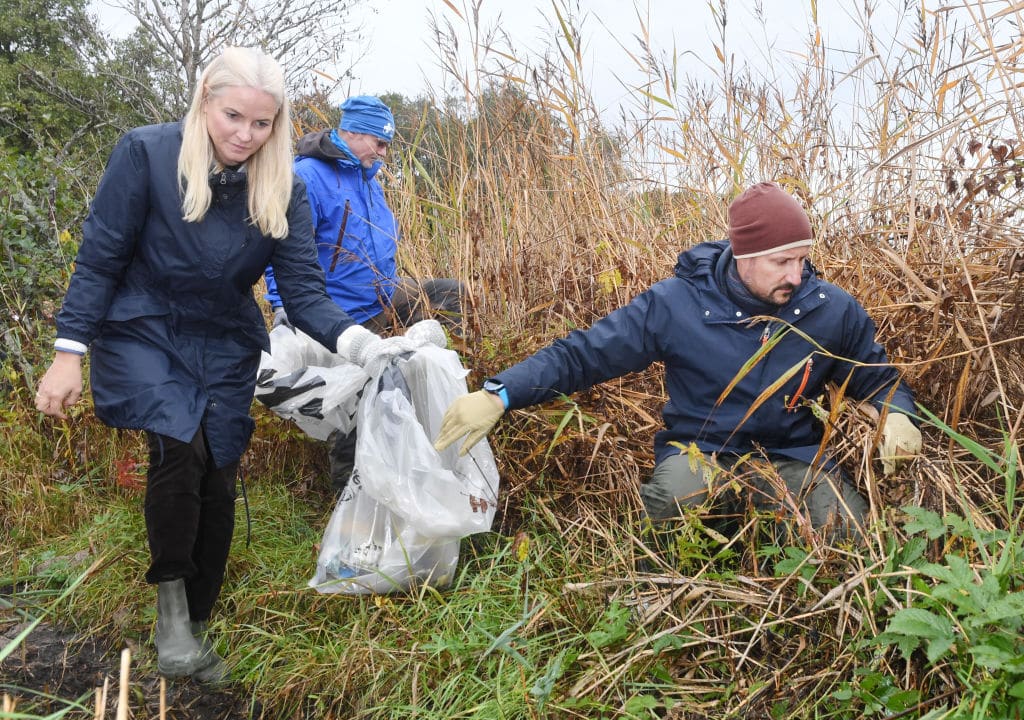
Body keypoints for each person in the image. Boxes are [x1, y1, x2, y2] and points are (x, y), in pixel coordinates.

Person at [34, 47, 412, 682]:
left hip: (224, 337)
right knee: (178, 448)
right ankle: (172, 618)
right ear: (205, 99)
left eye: (261, 124)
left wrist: (363, 345)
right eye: (233, 116)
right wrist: (68, 351)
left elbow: (304, 292)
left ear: (278, 124)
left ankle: (197, 612)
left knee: (218, 465)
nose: (245, 135)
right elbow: (100, 258)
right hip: (142, 324)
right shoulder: (146, 154)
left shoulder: (283, 186)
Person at [434, 182, 922, 548]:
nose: (797, 276)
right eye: (781, 263)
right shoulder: (676, 304)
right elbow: (584, 354)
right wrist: (500, 393)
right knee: (671, 504)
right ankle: (654, 603)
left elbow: (876, 379)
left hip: (793, 458)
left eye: (803, 260)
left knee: (851, 538)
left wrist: (897, 412)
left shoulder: (830, 309)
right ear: (743, 257)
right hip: (700, 453)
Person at [264, 95, 464, 491]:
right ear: (350, 132)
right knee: (354, 404)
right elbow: (279, 252)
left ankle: (411, 376)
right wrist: (285, 307)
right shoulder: (306, 178)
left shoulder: (367, 179)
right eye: (379, 142)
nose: (384, 153)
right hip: (336, 313)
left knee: (450, 295)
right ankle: (349, 502)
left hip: (382, 299)